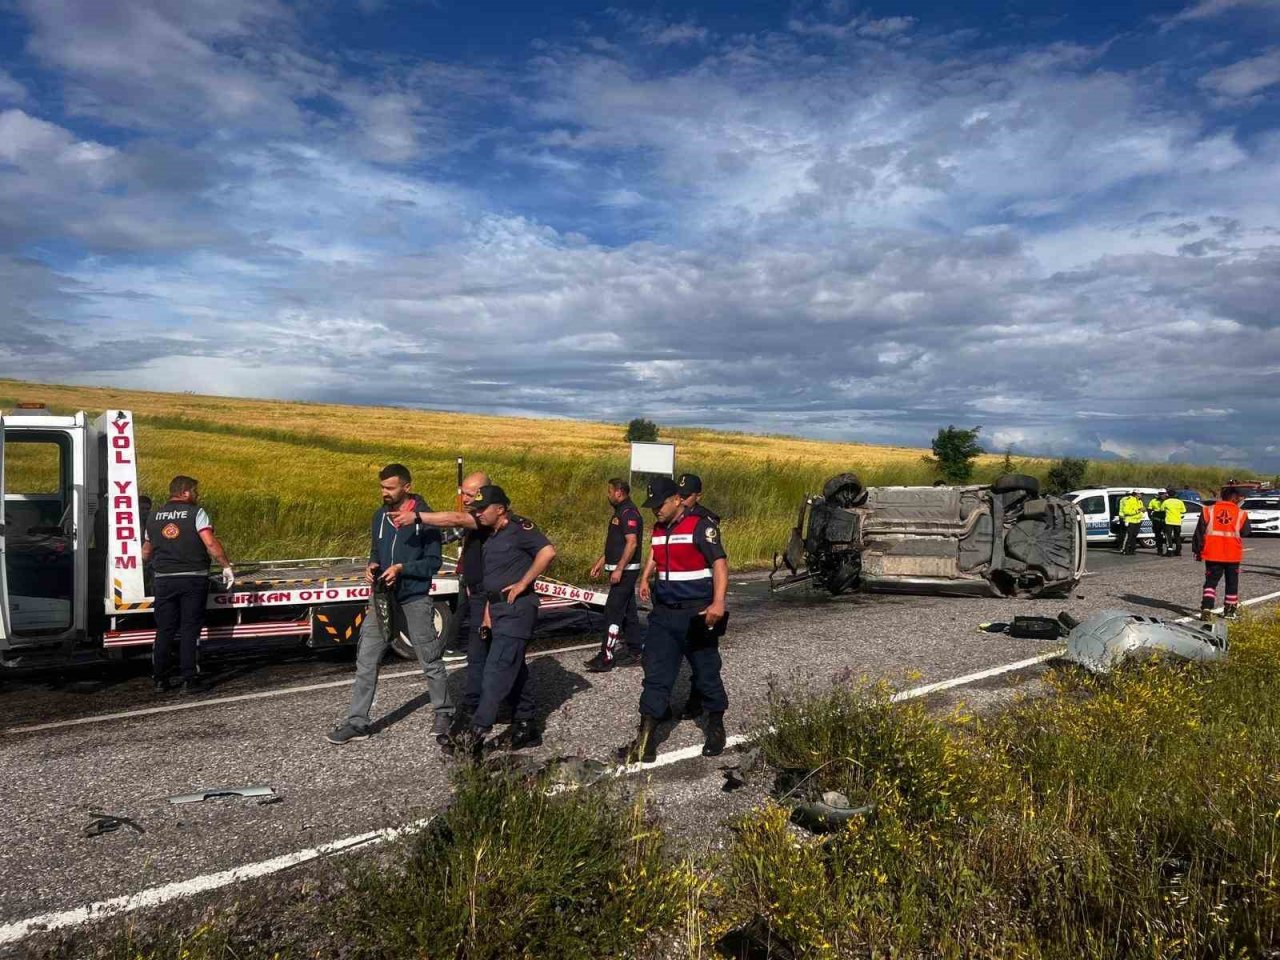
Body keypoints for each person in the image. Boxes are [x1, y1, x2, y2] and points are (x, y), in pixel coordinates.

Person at [327, 464, 453, 746]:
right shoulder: (379, 516)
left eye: (390, 488)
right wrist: (372, 565)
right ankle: (357, 723)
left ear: (406, 487)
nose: (384, 492)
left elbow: (433, 563)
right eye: (382, 487)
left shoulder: (426, 520)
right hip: (382, 597)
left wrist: (401, 568)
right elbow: (376, 549)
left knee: (429, 658)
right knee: (366, 659)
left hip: (414, 598)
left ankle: (444, 712)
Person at [623, 476, 729, 764]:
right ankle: (645, 739)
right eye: (652, 505)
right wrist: (646, 577)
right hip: (664, 613)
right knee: (655, 673)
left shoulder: (701, 526)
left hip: (696, 612)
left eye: (659, 504)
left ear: (677, 500)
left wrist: (718, 602)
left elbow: (719, 563)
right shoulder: (659, 529)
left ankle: (716, 726)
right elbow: (657, 556)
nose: (655, 509)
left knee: (707, 672)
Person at [457, 485, 556, 756]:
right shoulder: (493, 534)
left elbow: (548, 551)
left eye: (482, 510)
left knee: (496, 672)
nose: (477, 515)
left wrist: (525, 582)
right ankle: (526, 724)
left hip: (517, 610)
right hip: (498, 610)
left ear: (499, 509)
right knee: (514, 667)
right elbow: (495, 580)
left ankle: (475, 735)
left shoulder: (519, 527)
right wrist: (488, 614)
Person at [392, 472, 491, 740]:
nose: (465, 499)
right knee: (479, 653)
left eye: (470, 494)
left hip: (489, 596)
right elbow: (448, 534)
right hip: (475, 591)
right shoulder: (473, 515)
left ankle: (502, 711)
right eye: (464, 493)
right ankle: (477, 705)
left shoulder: (485, 516)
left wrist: (419, 515)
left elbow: (457, 520)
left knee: (494, 654)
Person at [142, 476, 233, 694]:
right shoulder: (196, 513)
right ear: (184, 492)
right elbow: (210, 542)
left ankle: (160, 680)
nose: (197, 495)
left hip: (163, 579)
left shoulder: (153, 516)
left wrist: (142, 572)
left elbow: (146, 550)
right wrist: (226, 566)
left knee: (164, 629)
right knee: (189, 629)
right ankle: (189, 679)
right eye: (195, 491)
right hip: (192, 578)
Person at [584, 478, 645, 672]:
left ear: (619, 492)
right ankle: (636, 650)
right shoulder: (619, 512)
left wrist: (619, 569)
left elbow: (632, 543)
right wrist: (601, 563)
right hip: (620, 568)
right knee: (629, 611)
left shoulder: (628, 513)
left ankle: (606, 657)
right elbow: (615, 544)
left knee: (613, 611)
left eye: (610, 491)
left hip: (626, 571)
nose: (608, 495)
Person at [1193, 487, 1249, 621]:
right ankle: (1229, 611)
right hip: (1232, 554)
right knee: (1232, 583)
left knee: (1211, 582)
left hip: (1212, 553)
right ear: (1234, 498)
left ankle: (1206, 608)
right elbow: (1246, 531)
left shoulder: (1208, 510)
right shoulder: (1241, 513)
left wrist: (1197, 550)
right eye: (1239, 498)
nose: (1240, 500)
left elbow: (1199, 533)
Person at [1118, 490, 1145, 555]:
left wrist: (1142, 511)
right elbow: (1126, 511)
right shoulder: (1129, 500)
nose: (1142, 495)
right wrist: (1138, 511)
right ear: (1136, 494)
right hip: (1130, 521)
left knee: (1134, 536)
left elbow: (1140, 510)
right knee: (1128, 536)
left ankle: (1132, 550)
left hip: (1137, 521)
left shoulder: (1139, 501)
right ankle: (1125, 550)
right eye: (1141, 494)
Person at [1162, 490, 1187, 557]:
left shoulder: (1166, 502)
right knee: (1177, 537)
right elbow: (1184, 511)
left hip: (1169, 522)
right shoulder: (1180, 502)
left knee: (1168, 537)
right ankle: (1178, 551)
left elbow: (1162, 509)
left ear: (1168, 495)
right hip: (1177, 522)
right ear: (1175, 495)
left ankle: (1169, 551)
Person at [1148, 490, 1167, 556]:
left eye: (1163, 494)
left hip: (1165, 518)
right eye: (1160, 494)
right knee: (1158, 536)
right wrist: (1151, 518)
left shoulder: (1167, 500)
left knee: (1167, 536)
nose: (1162, 495)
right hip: (1157, 518)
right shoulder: (1153, 500)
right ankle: (1159, 550)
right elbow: (1149, 509)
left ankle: (1169, 549)